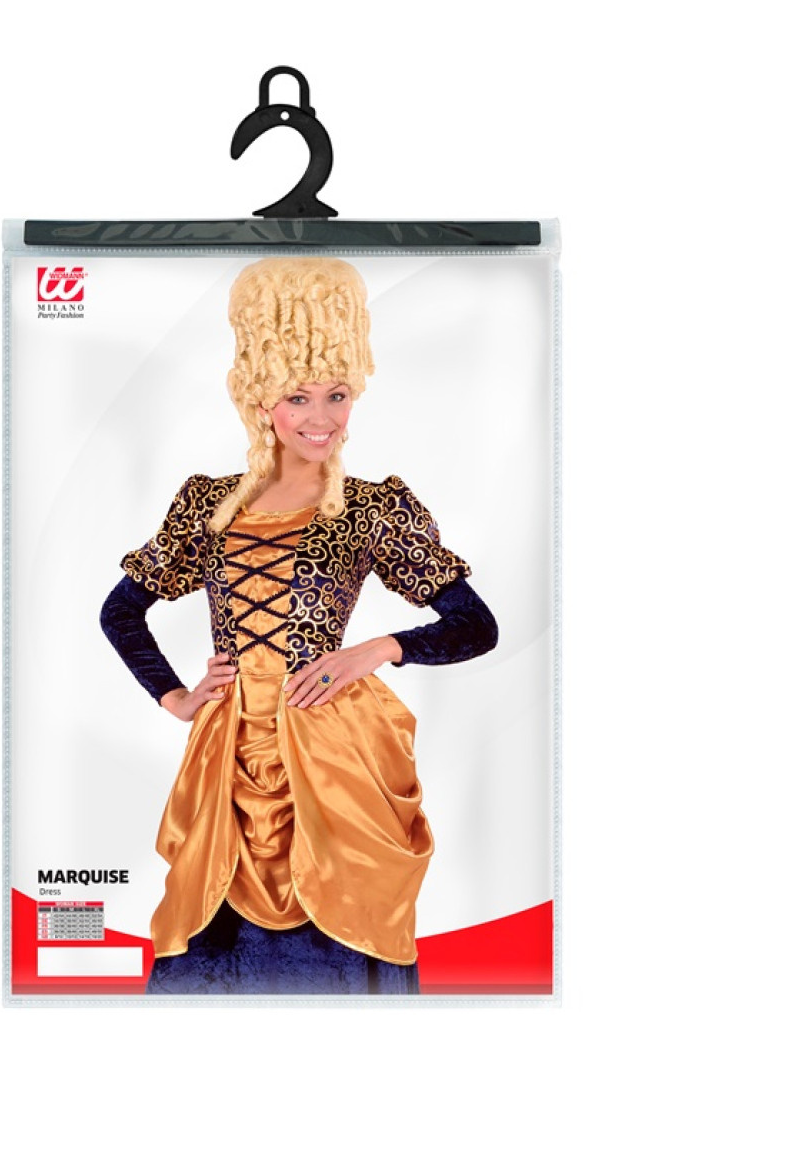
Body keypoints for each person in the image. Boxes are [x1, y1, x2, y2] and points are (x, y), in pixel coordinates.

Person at [100, 257, 498, 995]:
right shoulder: (208, 506)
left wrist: (377, 650)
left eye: (337, 395)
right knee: (206, 954)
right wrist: (177, 696)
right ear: (261, 403)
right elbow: (120, 611)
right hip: (226, 761)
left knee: (342, 945)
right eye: (298, 398)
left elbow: (475, 625)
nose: (322, 419)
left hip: (332, 758)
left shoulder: (373, 509)